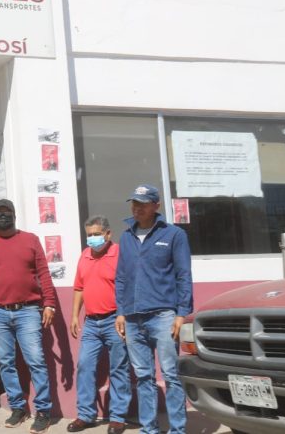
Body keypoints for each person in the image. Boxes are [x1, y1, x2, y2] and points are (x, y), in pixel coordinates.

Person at [114, 184, 193, 434]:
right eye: (133, 203)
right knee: (144, 377)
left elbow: (183, 275)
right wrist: (121, 312)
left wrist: (182, 313)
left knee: (170, 375)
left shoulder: (174, 235)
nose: (136, 207)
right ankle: (149, 429)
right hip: (133, 318)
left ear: (155, 206)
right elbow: (121, 278)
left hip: (164, 316)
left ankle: (177, 429)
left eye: (142, 203)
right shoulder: (126, 237)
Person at [0, 199, 57, 434]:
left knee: (36, 360)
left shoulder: (30, 240)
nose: (3, 216)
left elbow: (43, 273)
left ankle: (43, 411)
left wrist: (50, 304)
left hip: (28, 311)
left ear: (14, 215)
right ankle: (18, 408)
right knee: (6, 363)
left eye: (7, 212)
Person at [67, 216, 130, 434]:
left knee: (118, 369)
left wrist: (123, 315)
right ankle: (86, 415)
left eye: (96, 234)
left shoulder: (120, 253)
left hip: (115, 320)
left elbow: (129, 286)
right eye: (89, 235)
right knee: (84, 366)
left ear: (108, 234)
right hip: (91, 323)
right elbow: (79, 288)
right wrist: (75, 316)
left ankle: (118, 418)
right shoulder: (85, 255)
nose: (92, 239)